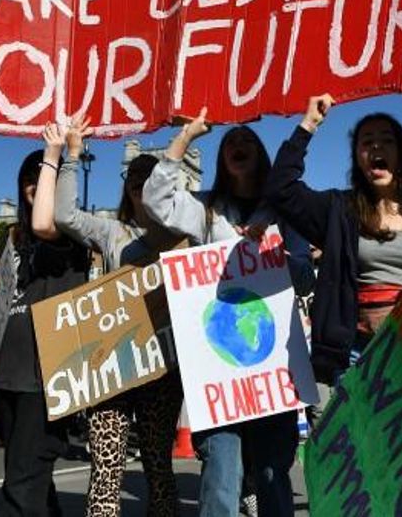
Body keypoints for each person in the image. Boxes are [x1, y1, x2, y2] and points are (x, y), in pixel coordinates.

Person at [142, 110, 314, 517]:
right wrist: (186, 135)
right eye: (230, 141)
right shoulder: (206, 210)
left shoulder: (285, 211)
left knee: (273, 475)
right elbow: (154, 200)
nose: (237, 144)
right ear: (222, 159)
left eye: (247, 140)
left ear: (262, 155)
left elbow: (306, 275)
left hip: (273, 370)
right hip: (218, 373)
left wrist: (272, 257)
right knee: (220, 472)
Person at [265, 95, 402, 382]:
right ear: (358, 157)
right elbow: (279, 189)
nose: (376, 147)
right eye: (366, 142)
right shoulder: (338, 210)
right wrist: (308, 124)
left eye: (386, 140)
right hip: (356, 354)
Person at [47, 117, 184, 517]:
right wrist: (72, 155)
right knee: (106, 468)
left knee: (159, 466)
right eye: (135, 180)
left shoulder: (184, 235)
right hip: (112, 364)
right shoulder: (112, 232)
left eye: (151, 178)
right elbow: (64, 216)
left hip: (161, 364)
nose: (142, 185)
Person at [0, 147, 89, 517]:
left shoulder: (70, 234)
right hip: (10, 373)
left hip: (45, 377)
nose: (33, 181)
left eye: (42, 174)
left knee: (21, 487)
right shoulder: (11, 238)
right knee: (33, 481)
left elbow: (47, 220)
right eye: (28, 176)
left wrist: (57, 154)